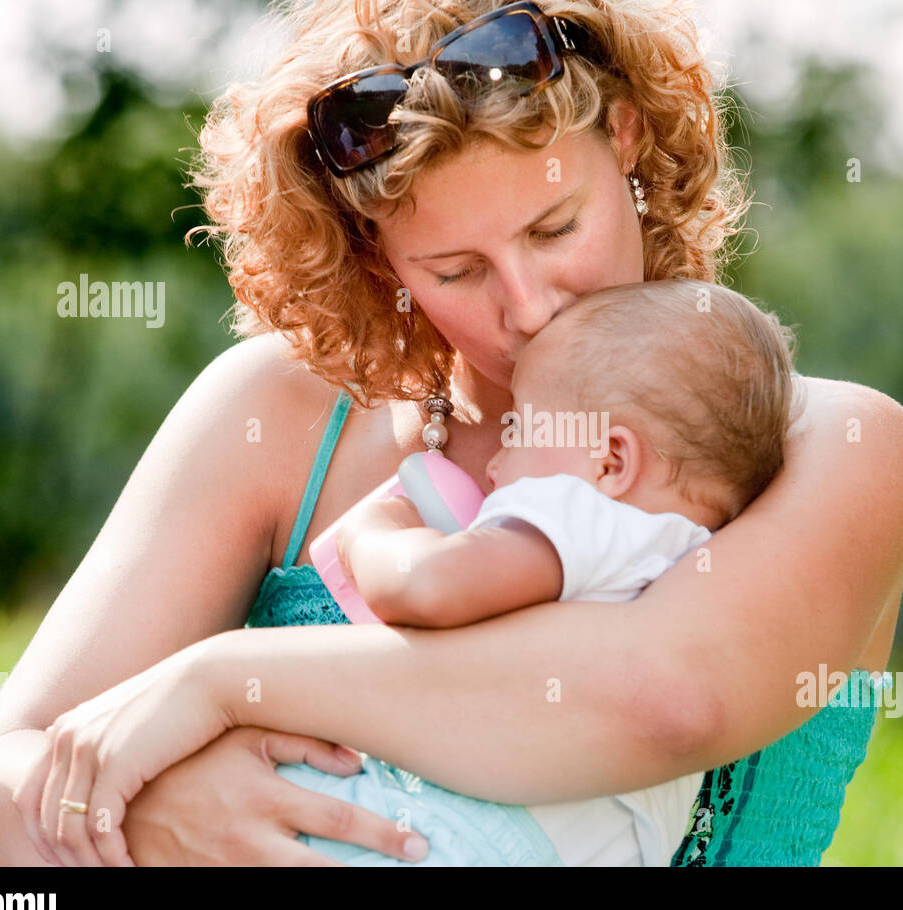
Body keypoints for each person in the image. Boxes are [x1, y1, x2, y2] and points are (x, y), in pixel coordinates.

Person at [0, 0, 903, 868]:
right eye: (455, 270)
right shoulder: (280, 415)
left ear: (626, 138)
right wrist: (150, 812)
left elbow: (662, 698)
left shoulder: (832, 444)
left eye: (555, 228)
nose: (530, 303)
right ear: (373, 251)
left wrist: (219, 683)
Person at [269, 276, 798, 866]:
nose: (496, 461)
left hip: (462, 832)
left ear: (611, 460)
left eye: (520, 427)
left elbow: (425, 585)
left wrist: (374, 531)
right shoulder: (691, 560)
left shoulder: (581, 514)